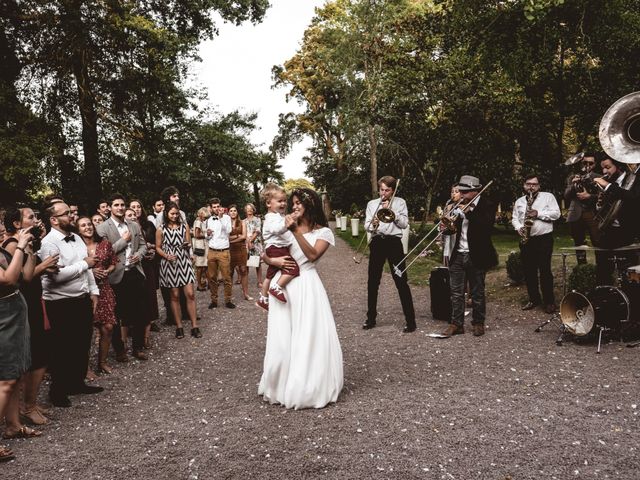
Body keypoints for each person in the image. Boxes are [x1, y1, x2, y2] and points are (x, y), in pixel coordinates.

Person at [259, 188, 343, 409]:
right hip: (283, 285)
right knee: (282, 338)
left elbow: (313, 255)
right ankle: (278, 385)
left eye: (298, 203)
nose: (294, 206)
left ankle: (306, 386)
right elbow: (267, 251)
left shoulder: (323, 232)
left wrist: (295, 231)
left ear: (311, 205)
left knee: (307, 336)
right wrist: (273, 261)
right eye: (292, 203)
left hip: (307, 285)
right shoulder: (283, 225)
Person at [39, 201, 103, 407]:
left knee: (81, 343)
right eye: (66, 213)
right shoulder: (48, 243)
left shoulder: (76, 237)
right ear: (54, 219)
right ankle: (58, 391)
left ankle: (77, 382)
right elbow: (56, 276)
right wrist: (85, 264)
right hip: (60, 303)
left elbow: (87, 268)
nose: (72, 216)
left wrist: (94, 291)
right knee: (62, 347)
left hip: (81, 299)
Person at [3, 208, 57, 426]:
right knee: (31, 360)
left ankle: (25, 409)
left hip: (30, 302)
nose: (36, 220)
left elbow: (26, 273)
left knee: (36, 357)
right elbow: (18, 278)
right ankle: (26, 408)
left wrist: (34, 246)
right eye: (31, 217)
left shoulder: (25, 243)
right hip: (14, 308)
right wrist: (44, 264)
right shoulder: (10, 245)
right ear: (17, 224)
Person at [441, 175, 498, 338]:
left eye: (465, 192)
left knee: (477, 291)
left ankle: (478, 323)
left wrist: (468, 213)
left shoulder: (487, 204)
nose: (462, 195)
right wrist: (447, 226)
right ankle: (456, 323)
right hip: (457, 253)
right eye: (461, 191)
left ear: (475, 191)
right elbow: (451, 231)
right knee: (456, 292)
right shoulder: (456, 205)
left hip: (477, 254)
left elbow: (487, 227)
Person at [96, 194, 148, 362]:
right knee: (116, 315)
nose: (120, 207)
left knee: (139, 312)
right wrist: (123, 241)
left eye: (122, 205)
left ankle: (138, 347)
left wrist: (139, 255)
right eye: (116, 205)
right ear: (110, 208)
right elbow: (104, 253)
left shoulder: (134, 225)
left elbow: (143, 245)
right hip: (115, 276)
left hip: (134, 272)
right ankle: (120, 350)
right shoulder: (103, 228)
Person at [0, 227, 38, 460]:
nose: (3, 228)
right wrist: (21, 246)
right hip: (2, 317)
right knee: (4, 379)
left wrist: (30, 249)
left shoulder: (3, 249)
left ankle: (13, 425)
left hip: (14, 313)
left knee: (15, 374)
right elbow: (8, 279)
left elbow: (25, 276)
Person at [364, 176, 416, 333]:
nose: (383, 193)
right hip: (377, 242)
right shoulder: (372, 204)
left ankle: (410, 321)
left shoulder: (400, 203)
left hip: (394, 243)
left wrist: (393, 212)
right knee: (373, 282)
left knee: (401, 281)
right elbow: (366, 226)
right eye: (381, 189)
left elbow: (404, 224)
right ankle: (371, 318)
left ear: (393, 190)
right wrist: (372, 225)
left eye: (387, 190)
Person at [511, 174, 561, 314]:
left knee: (545, 270)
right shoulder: (519, 201)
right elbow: (515, 218)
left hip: (544, 238)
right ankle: (534, 299)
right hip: (527, 240)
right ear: (524, 185)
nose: (531, 186)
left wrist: (538, 213)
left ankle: (549, 301)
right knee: (529, 271)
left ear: (539, 186)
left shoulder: (548, 197)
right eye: (528, 184)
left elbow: (556, 214)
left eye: (534, 184)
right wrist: (518, 227)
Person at [77, 217, 117, 374]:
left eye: (89, 224)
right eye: (83, 225)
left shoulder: (105, 244)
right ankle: (85, 367)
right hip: (85, 290)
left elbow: (114, 261)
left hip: (104, 289)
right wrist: (90, 270)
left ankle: (102, 362)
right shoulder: (76, 246)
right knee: (86, 331)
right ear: (78, 229)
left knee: (107, 327)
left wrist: (108, 270)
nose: (87, 227)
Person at [156, 202, 200, 339]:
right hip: (169, 263)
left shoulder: (184, 226)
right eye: (172, 214)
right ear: (166, 214)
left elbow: (188, 243)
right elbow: (158, 247)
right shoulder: (160, 229)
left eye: (176, 213)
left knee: (190, 294)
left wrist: (188, 247)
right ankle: (179, 326)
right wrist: (166, 256)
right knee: (174, 295)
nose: (175, 216)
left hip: (184, 261)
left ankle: (194, 326)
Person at [593, 158, 640, 284]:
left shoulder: (634, 179)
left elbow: (632, 197)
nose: (604, 171)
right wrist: (599, 204)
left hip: (627, 231)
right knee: (603, 269)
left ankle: (630, 299)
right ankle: (604, 298)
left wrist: (607, 186)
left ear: (618, 166)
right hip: (608, 231)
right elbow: (603, 208)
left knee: (627, 271)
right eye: (602, 168)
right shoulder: (608, 181)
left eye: (608, 167)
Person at [256, 184, 300, 311]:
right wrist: (290, 221)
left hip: (273, 249)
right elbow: (278, 230)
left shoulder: (277, 216)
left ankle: (263, 299)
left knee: (269, 275)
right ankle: (276, 287)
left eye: (285, 201)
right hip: (277, 249)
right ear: (268, 203)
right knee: (293, 269)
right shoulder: (271, 218)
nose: (283, 204)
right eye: (280, 201)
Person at [130, 199, 160, 346]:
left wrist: (153, 249)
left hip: (148, 264)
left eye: (138, 206)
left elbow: (157, 242)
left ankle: (148, 332)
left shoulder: (149, 225)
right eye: (133, 207)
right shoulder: (126, 226)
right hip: (133, 265)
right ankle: (134, 327)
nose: (136, 209)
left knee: (150, 296)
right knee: (136, 298)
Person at [564, 153, 600, 264]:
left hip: (592, 213)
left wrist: (589, 196)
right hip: (576, 213)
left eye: (590, 163)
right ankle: (582, 268)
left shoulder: (598, 176)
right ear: (581, 163)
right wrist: (572, 185)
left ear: (595, 164)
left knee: (598, 242)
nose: (587, 165)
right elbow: (566, 196)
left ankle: (601, 267)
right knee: (578, 243)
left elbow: (603, 196)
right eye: (585, 163)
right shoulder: (573, 177)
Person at [205, 197, 235, 309]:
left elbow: (229, 231)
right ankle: (214, 300)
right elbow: (208, 238)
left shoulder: (227, 218)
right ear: (211, 208)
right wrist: (207, 234)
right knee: (212, 277)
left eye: (218, 206)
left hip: (224, 252)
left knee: (227, 277)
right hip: (212, 251)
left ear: (220, 206)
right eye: (214, 207)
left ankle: (228, 300)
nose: (217, 209)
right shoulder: (208, 220)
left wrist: (221, 218)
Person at [228, 204, 252, 301]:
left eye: (234, 210)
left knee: (243, 270)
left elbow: (244, 236)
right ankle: (228, 296)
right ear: (228, 213)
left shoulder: (242, 222)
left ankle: (246, 294)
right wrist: (237, 236)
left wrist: (231, 239)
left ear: (237, 212)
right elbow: (225, 237)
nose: (233, 212)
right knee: (229, 272)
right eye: (231, 211)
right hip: (230, 249)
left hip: (241, 249)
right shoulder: (226, 223)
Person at [244, 203, 263, 288]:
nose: (249, 210)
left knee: (257, 263)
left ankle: (259, 282)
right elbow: (243, 233)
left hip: (256, 242)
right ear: (245, 210)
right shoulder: (243, 221)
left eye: (251, 208)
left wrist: (251, 241)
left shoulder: (258, 219)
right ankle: (245, 281)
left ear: (253, 209)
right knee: (246, 263)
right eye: (248, 209)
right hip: (246, 243)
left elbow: (258, 231)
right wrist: (248, 242)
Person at [192, 207, 209, 292]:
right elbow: (196, 235)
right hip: (200, 246)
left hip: (203, 245)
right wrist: (207, 235)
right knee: (199, 266)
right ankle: (199, 285)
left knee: (204, 266)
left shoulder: (200, 222)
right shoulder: (198, 222)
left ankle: (204, 282)